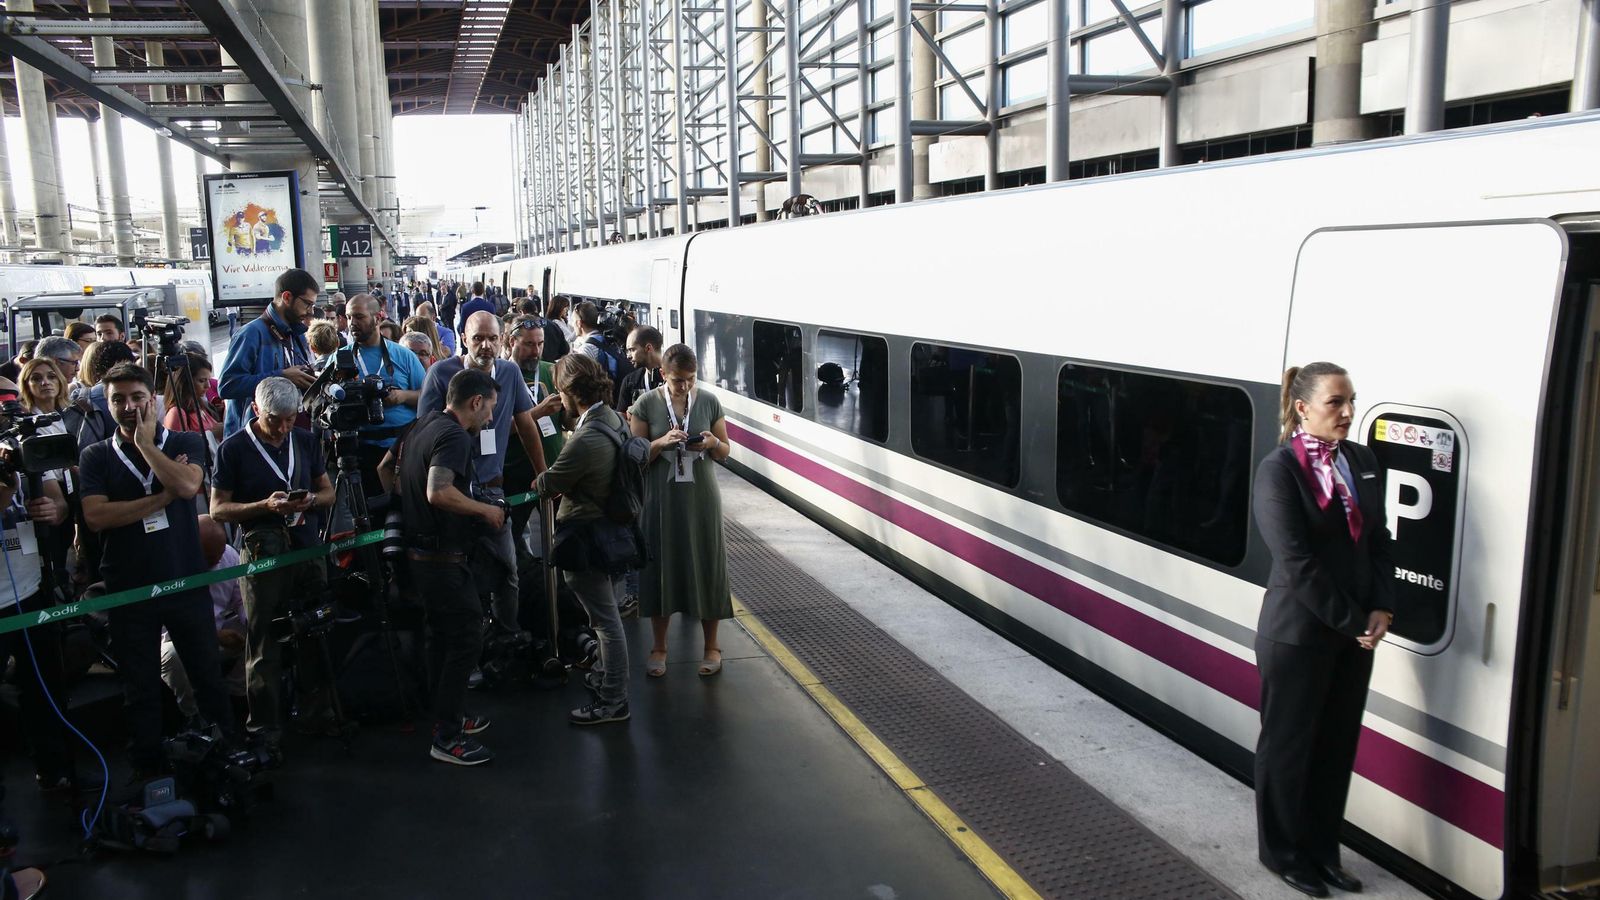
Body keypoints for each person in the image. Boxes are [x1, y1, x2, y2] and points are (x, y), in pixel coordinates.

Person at [1252, 362, 1394, 899]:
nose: (1349, 413)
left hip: (1354, 634)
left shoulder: (1361, 460)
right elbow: (1295, 560)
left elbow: (1378, 539)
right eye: (1336, 402)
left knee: (1336, 747)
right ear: (1302, 407)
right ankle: (1283, 853)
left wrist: (1383, 607)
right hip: (1297, 635)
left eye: (1351, 400)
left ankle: (1323, 852)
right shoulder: (1278, 470)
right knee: (1289, 748)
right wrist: (1356, 621)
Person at [79, 363, 235, 776]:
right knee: (140, 687)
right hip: (130, 589)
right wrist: (163, 497)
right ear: (107, 403)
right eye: (118, 399)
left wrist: (147, 446)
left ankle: (228, 752)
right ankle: (148, 765)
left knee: (207, 677)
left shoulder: (185, 439)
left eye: (136, 398)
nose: (128, 407)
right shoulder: (95, 455)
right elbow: (97, 517)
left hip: (185, 580)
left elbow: (188, 487)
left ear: (153, 399)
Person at [210, 377, 337, 750]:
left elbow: (329, 492)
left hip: (306, 547)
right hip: (262, 553)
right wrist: (264, 507)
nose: (283, 428)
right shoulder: (233, 449)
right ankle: (264, 727)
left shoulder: (306, 440)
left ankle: (318, 713)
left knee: (316, 629)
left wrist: (308, 501)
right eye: (274, 420)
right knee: (264, 640)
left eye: (290, 419)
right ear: (255, 410)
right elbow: (218, 509)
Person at [397, 368, 505, 765]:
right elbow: (439, 491)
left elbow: (385, 471)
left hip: (420, 556)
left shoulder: (420, 425)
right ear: (476, 402)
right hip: (442, 559)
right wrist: (486, 511)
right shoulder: (456, 436)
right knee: (465, 638)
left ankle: (445, 713)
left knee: (440, 639)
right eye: (489, 409)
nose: (490, 419)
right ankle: (446, 735)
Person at [416, 312, 546, 638]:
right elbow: (422, 433)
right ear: (463, 338)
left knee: (508, 572)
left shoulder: (511, 372)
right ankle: (468, 648)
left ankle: (506, 639)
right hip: (452, 495)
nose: (486, 346)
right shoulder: (440, 374)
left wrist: (543, 473)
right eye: (478, 338)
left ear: (503, 340)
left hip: (492, 492)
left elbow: (526, 422)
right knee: (461, 576)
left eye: (492, 338)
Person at [535, 353, 635, 725]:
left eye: (561, 393)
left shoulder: (586, 438)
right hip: (611, 535)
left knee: (605, 623)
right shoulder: (614, 421)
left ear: (571, 393)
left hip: (585, 539)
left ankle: (613, 700)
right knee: (608, 617)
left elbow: (549, 483)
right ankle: (607, 679)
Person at [629, 344, 733, 677]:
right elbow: (635, 456)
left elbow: (725, 451)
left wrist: (712, 444)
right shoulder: (646, 404)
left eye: (690, 380)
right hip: (660, 498)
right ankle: (659, 646)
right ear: (663, 375)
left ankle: (712, 646)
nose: (684, 387)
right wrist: (661, 443)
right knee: (661, 566)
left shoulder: (709, 401)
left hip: (701, 497)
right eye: (677, 380)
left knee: (707, 565)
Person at [0, 402, 76, 792]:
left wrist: (54, 508)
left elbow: (58, 500)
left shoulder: (18, 447)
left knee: (45, 687)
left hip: (32, 589)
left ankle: (55, 768)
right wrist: (6, 491)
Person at [161, 515, 246, 724]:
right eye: (210, 557)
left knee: (253, 630)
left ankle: (240, 699)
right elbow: (169, 627)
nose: (217, 560)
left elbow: (241, 600)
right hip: (177, 638)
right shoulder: (169, 565)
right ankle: (194, 714)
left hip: (217, 629)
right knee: (173, 655)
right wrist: (213, 635)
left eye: (219, 553)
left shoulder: (228, 555)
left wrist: (251, 620)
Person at [218, 268, 319, 438]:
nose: (311, 311)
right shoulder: (250, 334)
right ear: (287, 297)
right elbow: (227, 386)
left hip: (287, 436)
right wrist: (282, 377)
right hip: (252, 440)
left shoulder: (298, 335)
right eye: (307, 304)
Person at [345, 293, 427, 495]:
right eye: (348, 317)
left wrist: (402, 397)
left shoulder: (403, 355)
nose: (352, 323)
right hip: (361, 450)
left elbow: (427, 398)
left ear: (378, 318)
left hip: (402, 447)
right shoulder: (341, 359)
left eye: (359, 317)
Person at [161, 353, 222, 452]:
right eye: (202, 381)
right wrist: (212, 434)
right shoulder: (177, 413)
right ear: (184, 381)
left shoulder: (200, 406)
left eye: (208, 380)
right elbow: (178, 450)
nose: (208, 386)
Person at [617, 326, 663, 416]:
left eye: (632, 350)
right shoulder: (629, 381)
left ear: (648, 348)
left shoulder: (673, 378)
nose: (628, 356)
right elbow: (621, 419)